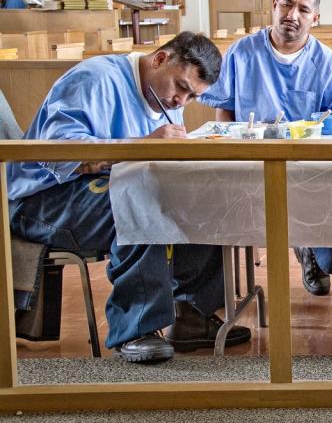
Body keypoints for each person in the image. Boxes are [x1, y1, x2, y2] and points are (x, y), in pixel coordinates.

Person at [7, 32, 251, 364]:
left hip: (97, 192)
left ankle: (192, 313)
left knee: (198, 194)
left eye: (192, 96)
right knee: (138, 197)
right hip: (42, 198)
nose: (181, 101)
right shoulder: (95, 78)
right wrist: (144, 145)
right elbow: (57, 152)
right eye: (180, 87)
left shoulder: (167, 100)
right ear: (160, 59)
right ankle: (136, 329)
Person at [200, 0, 332, 297]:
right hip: (254, 157)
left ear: (314, 19)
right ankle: (213, 290)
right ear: (274, 5)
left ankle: (314, 254)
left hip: (309, 161)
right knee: (210, 189)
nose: (293, 14)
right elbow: (224, 109)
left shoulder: (327, 62)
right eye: (287, 4)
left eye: (304, 9)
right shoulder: (242, 53)